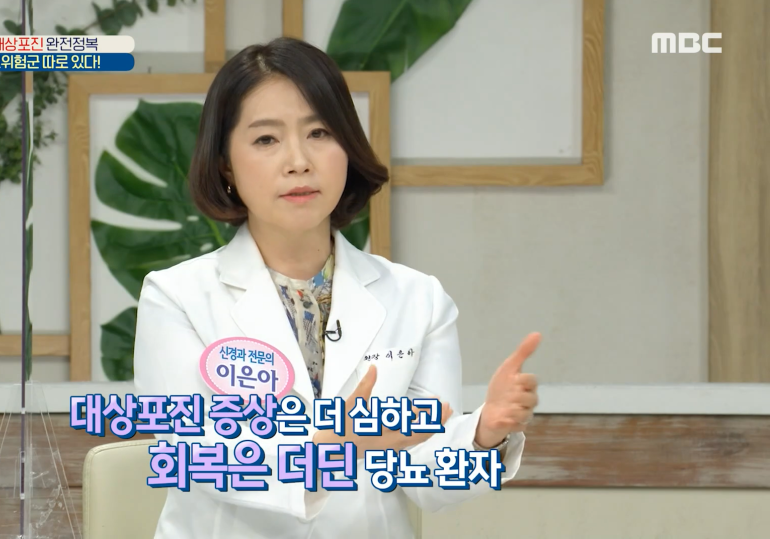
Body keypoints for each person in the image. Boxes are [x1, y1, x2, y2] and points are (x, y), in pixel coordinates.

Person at [133, 36, 541, 539]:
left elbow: (426, 478)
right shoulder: (177, 297)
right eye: (266, 139)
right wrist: (335, 449)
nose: (298, 161)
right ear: (226, 164)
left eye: (319, 132)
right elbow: (200, 457)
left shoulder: (418, 299)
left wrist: (482, 435)